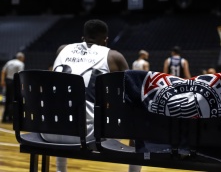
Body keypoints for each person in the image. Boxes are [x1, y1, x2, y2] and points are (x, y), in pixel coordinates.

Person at [40, 19, 129, 172]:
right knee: (134, 111)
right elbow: (131, 94)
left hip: (49, 130)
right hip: (87, 136)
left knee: (65, 107)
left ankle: (61, 169)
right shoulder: (114, 57)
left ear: (83, 38)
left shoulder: (62, 49)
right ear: (106, 41)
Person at [1, 52, 25, 123]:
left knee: (7, 100)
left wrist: (2, 80)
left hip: (8, 81)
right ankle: (10, 118)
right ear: (22, 58)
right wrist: (22, 85)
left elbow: (3, 71)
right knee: (13, 100)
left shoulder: (9, 62)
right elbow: (20, 74)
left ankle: (4, 118)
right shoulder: (21, 64)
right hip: (14, 82)